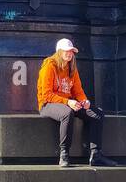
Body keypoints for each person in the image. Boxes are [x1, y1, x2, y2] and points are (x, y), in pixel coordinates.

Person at [37, 38, 115, 168]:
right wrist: (68, 102)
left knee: (97, 114)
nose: (70, 54)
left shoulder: (71, 67)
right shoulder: (49, 66)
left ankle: (96, 155)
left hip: (68, 103)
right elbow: (47, 95)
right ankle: (64, 154)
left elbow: (77, 90)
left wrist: (84, 101)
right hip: (48, 104)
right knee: (67, 113)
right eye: (67, 51)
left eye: (71, 51)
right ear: (59, 52)